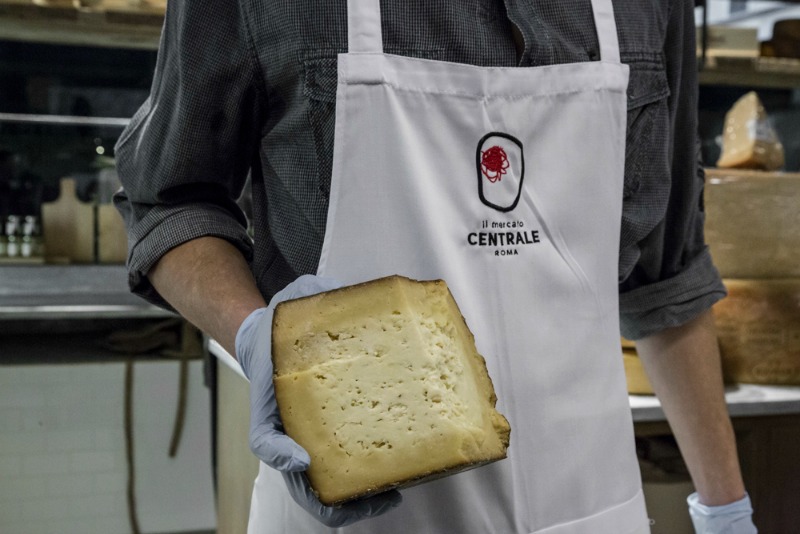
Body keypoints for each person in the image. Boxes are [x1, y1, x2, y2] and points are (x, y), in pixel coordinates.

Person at [114, 0, 757, 532]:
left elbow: (670, 279)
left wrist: (727, 511)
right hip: (364, 513)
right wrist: (254, 335)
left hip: (592, 509)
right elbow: (168, 201)